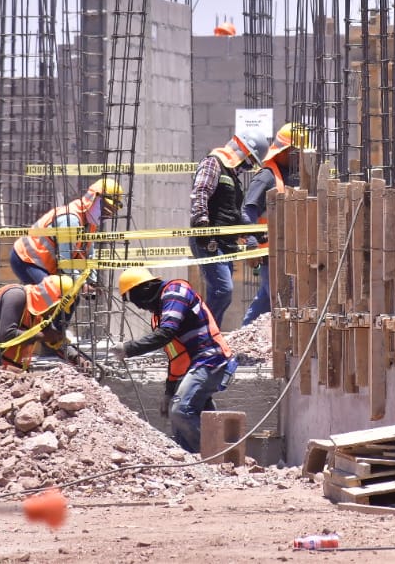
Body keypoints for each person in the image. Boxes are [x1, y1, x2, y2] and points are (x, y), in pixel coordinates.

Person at [112, 267, 237, 453]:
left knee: (181, 411)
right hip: (195, 364)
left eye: (134, 298)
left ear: (143, 290)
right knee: (186, 414)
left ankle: (212, 458)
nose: (138, 306)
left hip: (210, 359)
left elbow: (166, 333)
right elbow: (176, 358)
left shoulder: (175, 292)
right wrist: (169, 392)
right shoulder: (161, 313)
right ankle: (190, 462)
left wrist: (129, 349)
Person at [189, 127, 270, 327]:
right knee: (222, 290)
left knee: (222, 293)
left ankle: (204, 332)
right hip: (209, 241)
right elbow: (200, 192)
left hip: (224, 243)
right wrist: (202, 226)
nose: (249, 167)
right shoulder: (213, 163)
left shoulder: (233, 178)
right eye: (251, 161)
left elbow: (234, 215)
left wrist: (256, 235)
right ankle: (204, 335)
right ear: (243, 152)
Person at [240, 122, 308, 327]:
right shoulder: (267, 177)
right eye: (295, 152)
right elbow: (247, 210)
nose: (299, 157)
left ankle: (243, 334)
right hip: (271, 254)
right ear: (283, 151)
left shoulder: (291, 174)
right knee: (282, 300)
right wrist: (250, 241)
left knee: (266, 300)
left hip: (289, 252)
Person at [11, 178, 125, 287]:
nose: (106, 215)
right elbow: (65, 262)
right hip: (27, 258)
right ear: (93, 199)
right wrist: (82, 284)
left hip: (44, 263)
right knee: (52, 295)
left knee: (69, 297)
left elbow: (89, 255)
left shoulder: (91, 223)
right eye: (106, 208)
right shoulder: (70, 220)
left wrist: (92, 281)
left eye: (110, 212)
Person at [0, 274, 88, 373]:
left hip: (13, 368)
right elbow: (6, 334)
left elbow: (55, 340)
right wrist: (43, 336)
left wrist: (76, 357)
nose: (55, 312)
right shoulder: (15, 295)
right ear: (52, 300)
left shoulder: (40, 311)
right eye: (57, 307)